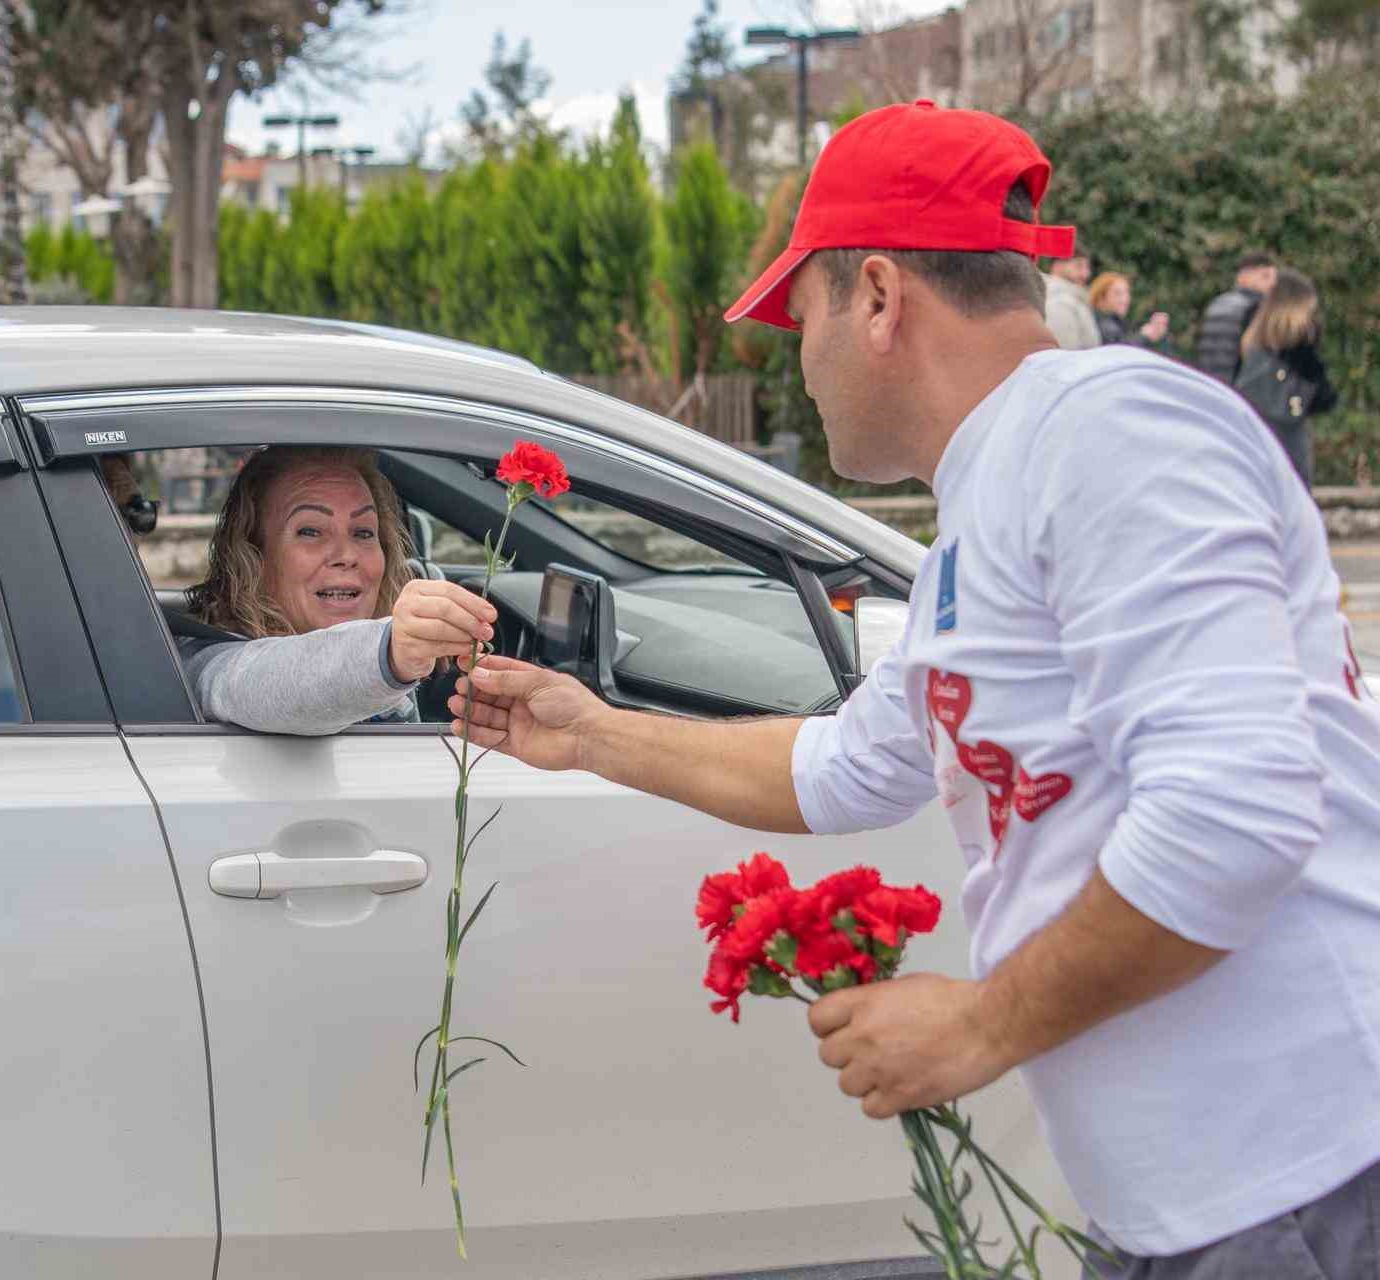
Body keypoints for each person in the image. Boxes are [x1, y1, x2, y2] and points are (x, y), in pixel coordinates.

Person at [451, 100, 1380, 1278]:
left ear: (879, 296)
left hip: (1303, 1183)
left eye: (802, 312)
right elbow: (844, 767)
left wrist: (978, 1024)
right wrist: (591, 734)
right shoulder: (976, 524)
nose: (797, 357)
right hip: (1199, 1205)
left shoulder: (1109, 432)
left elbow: (1233, 812)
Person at [181, 445, 495, 734]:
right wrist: (392, 651)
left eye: (363, 532)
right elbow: (261, 685)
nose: (346, 556)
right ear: (255, 556)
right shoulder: (207, 666)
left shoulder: (394, 686)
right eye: (310, 531)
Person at [1235, 267, 1340, 489]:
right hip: (1288, 431)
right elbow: (1324, 396)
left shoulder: (1252, 337)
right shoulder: (1298, 342)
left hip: (1253, 428)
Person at [1197, 251, 1277, 384]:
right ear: (1246, 275)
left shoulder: (1217, 304)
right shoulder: (1257, 309)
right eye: (1265, 276)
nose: (1272, 284)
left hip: (1211, 383)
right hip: (1238, 389)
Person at [1088, 271, 1170, 353]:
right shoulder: (1102, 323)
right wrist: (1144, 336)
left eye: (1126, 293)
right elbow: (1118, 351)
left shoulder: (1115, 322)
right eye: (1117, 294)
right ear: (1101, 298)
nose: (1125, 299)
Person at [1040, 249, 1099, 350]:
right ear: (1057, 266)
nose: (1086, 274)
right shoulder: (1059, 302)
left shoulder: (1072, 298)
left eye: (1087, 267)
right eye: (1078, 266)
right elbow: (1065, 354)